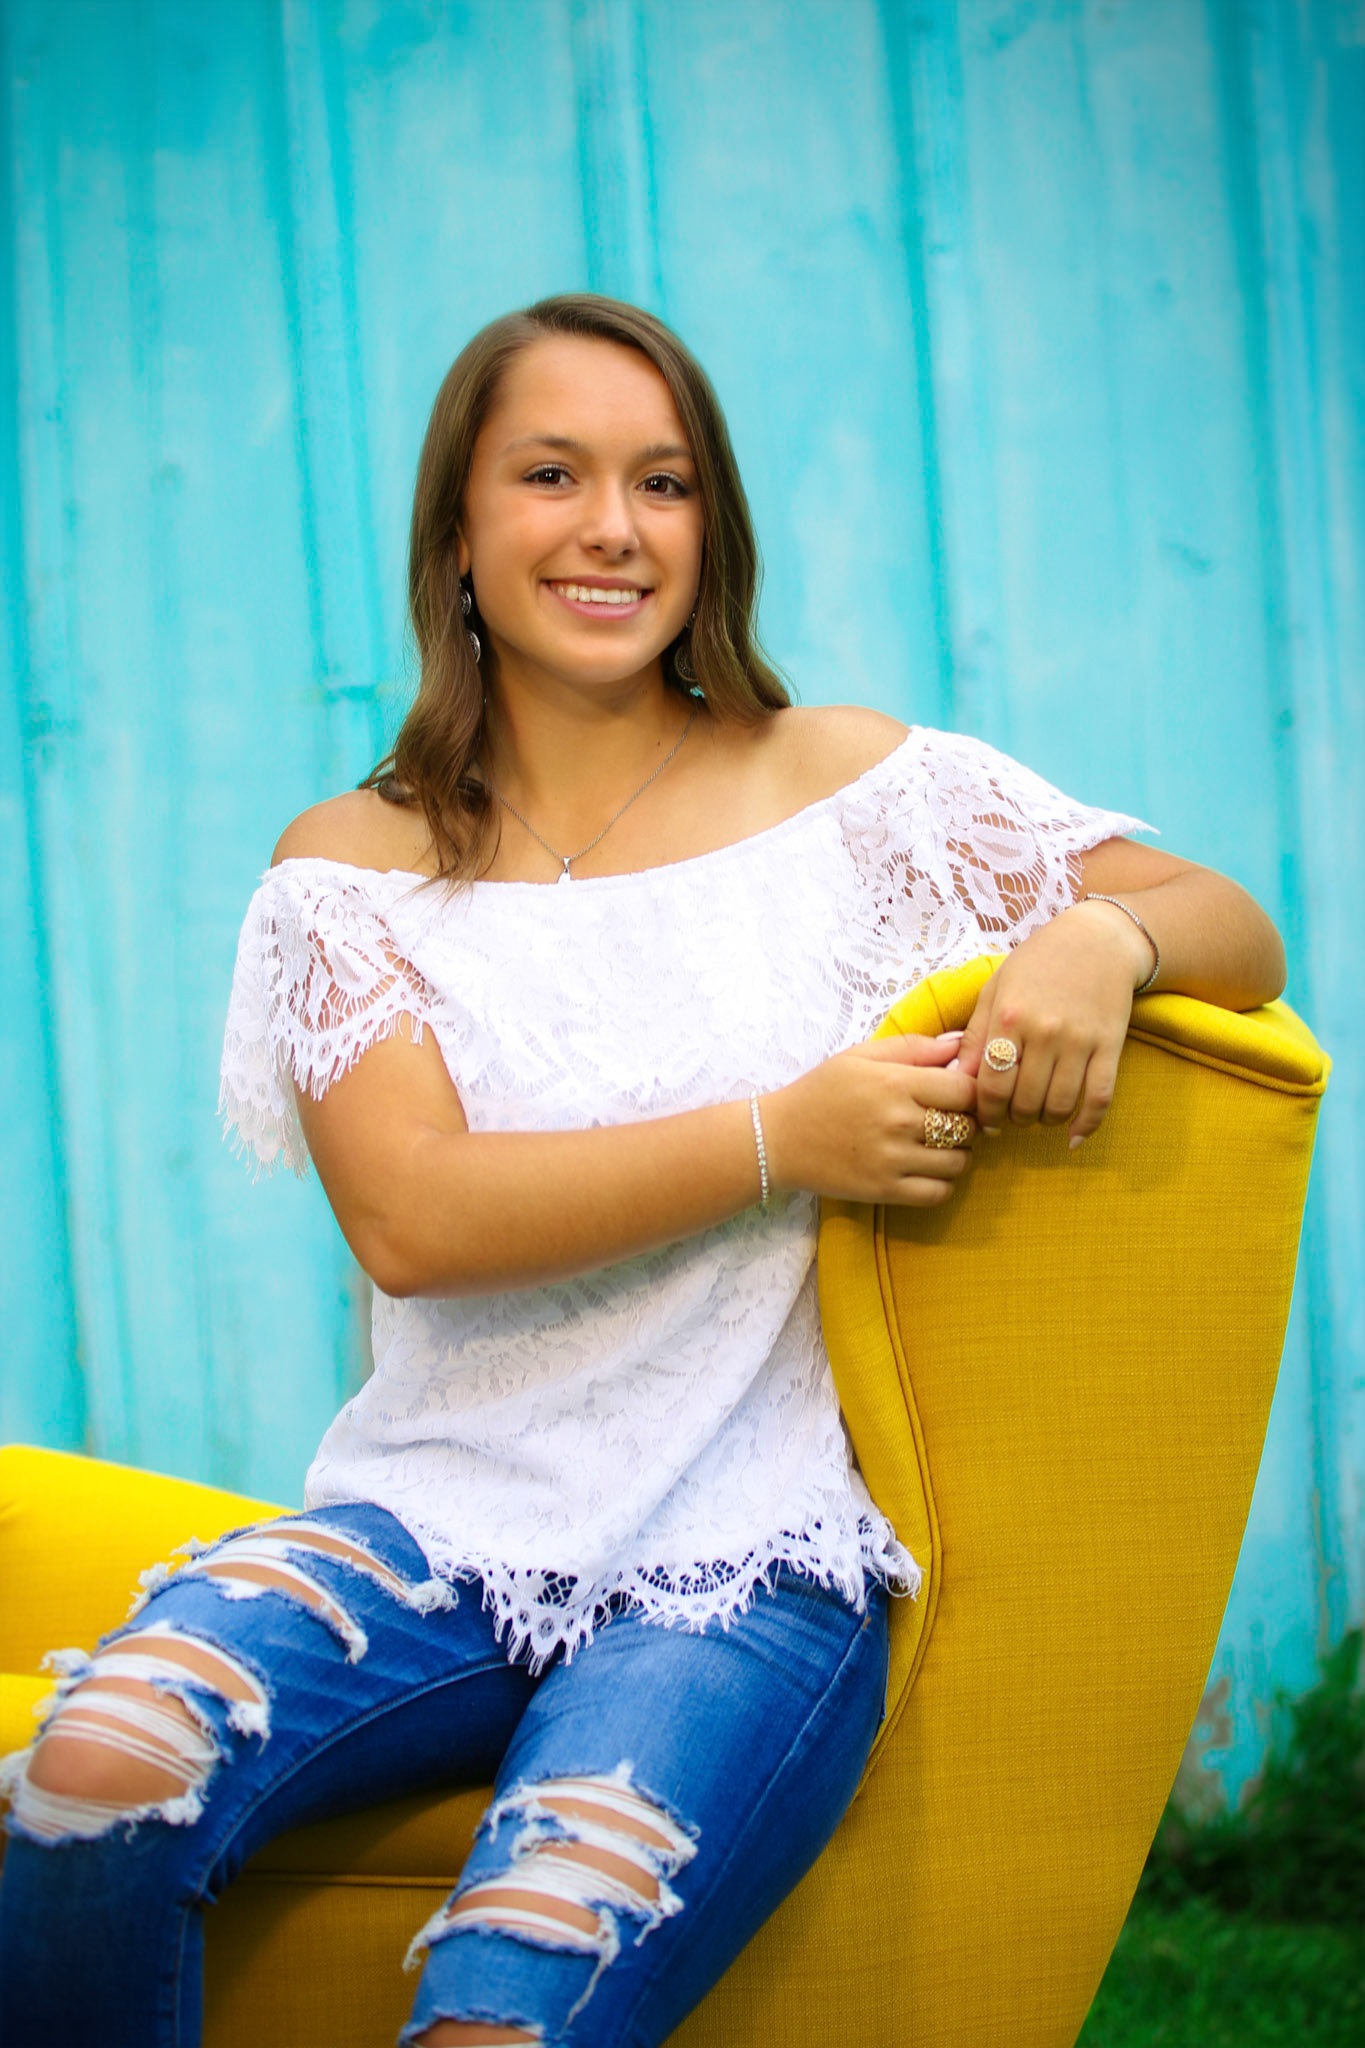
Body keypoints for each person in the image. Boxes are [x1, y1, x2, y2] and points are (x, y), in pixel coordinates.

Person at [0, 294, 1285, 2047]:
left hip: (747, 1559)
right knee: (88, 1773)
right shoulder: (351, 868)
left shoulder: (853, 789)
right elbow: (411, 1214)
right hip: (424, 1533)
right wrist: (779, 1137)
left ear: (709, 530)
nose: (610, 527)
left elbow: (1230, 922)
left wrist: (1098, 940)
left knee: (511, 1998)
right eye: (551, 475)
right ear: (458, 532)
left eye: (661, 484)